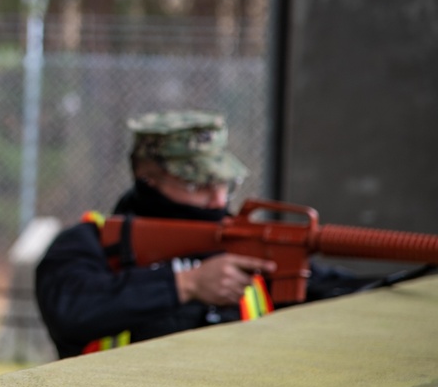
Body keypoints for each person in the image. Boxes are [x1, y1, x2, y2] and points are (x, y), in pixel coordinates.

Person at [35, 110, 373, 359]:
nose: (218, 200)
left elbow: (334, 288)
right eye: (197, 184)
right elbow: (70, 311)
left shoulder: (243, 241)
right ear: (147, 178)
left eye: (225, 184)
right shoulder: (89, 243)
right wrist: (186, 284)